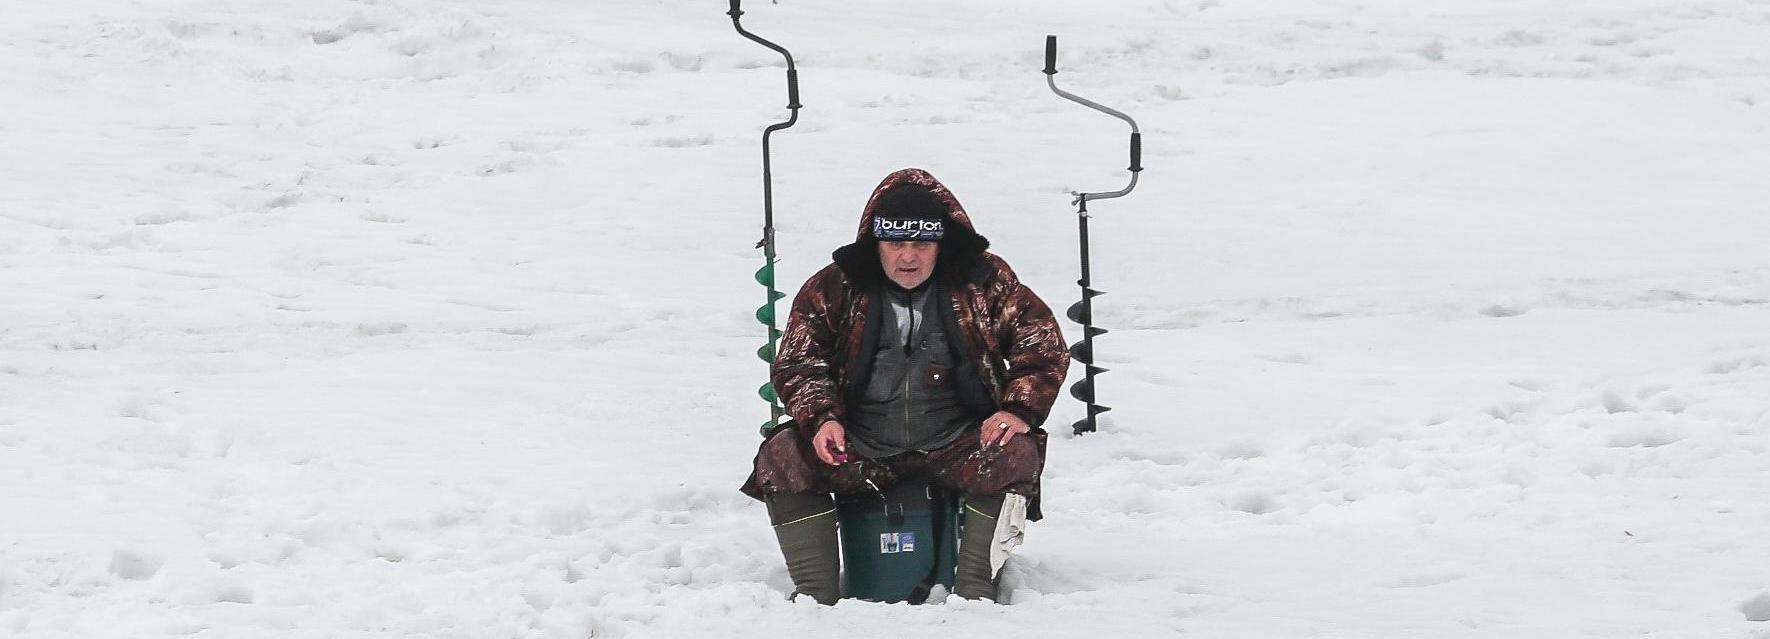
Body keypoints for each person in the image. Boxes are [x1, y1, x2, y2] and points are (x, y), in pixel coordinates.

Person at [741, 167, 1071, 604]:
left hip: (956, 441)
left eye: (922, 243)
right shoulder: (834, 286)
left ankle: (975, 593)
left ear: (942, 243)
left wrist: (1016, 410)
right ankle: (814, 598)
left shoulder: (984, 281)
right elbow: (799, 362)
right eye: (896, 243)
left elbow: (1042, 343)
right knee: (782, 454)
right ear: (876, 244)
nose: (908, 257)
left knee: (1016, 453)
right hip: (861, 443)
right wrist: (822, 420)